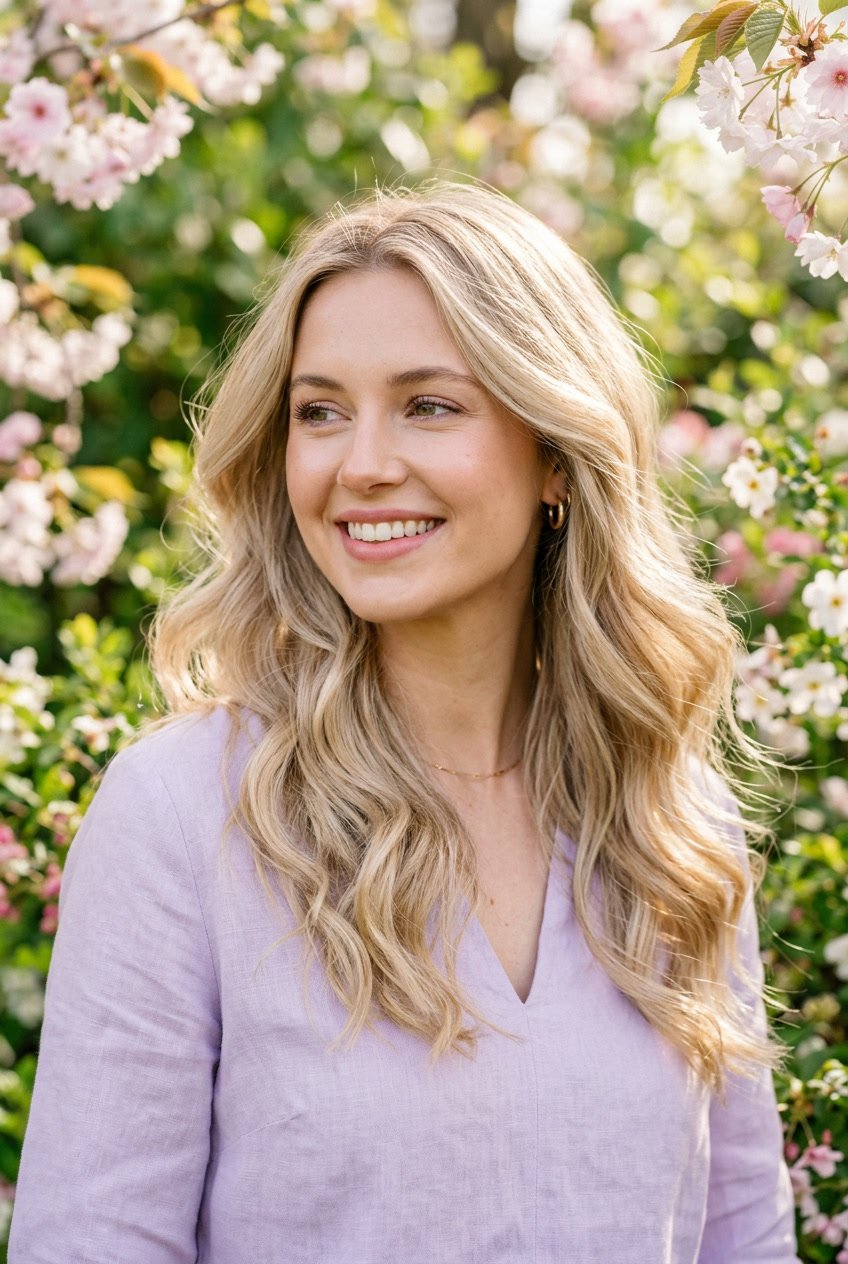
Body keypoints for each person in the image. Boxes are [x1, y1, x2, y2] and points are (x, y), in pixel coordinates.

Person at [9, 178, 799, 1263]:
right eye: (319, 410)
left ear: (557, 454)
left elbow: (740, 1239)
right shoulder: (183, 815)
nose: (361, 463)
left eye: (429, 404)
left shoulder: (675, 826)